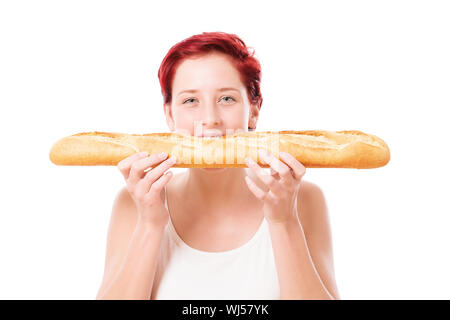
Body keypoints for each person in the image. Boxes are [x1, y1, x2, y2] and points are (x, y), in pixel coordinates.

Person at [96, 31, 340, 300]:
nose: (210, 119)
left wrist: (284, 222)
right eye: (191, 101)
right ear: (169, 114)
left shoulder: (304, 198)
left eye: (226, 99)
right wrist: (150, 225)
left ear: (254, 110)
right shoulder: (134, 202)